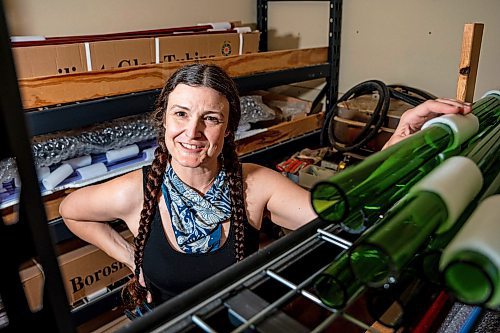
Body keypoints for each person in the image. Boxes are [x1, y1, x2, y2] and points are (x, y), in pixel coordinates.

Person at [59, 63, 471, 315]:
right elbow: (71, 211)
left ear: (229, 129)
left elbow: (340, 216)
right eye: (180, 114)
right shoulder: (136, 192)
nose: (193, 132)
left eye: (211, 119)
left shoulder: (255, 186)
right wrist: (133, 260)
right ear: (163, 121)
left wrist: (400, 141)